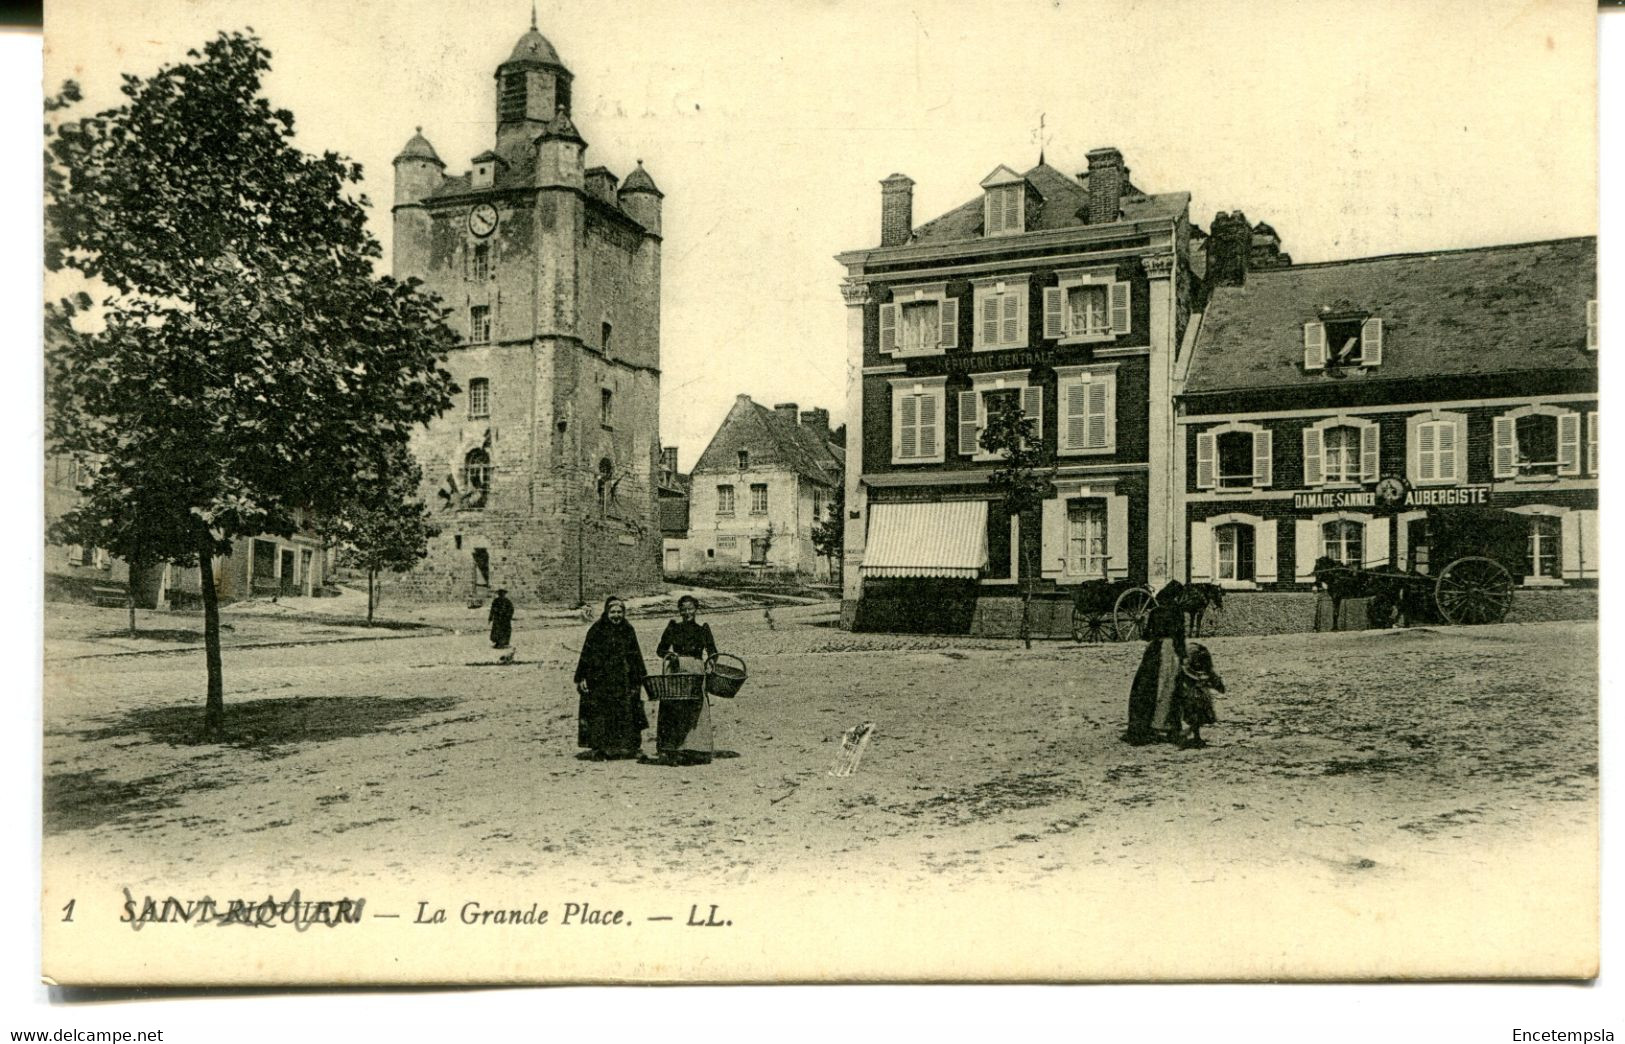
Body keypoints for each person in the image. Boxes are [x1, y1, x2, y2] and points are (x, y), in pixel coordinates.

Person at [574, 596, 648, 760]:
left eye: (619, 612)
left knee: (627, 710)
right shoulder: (596, 630)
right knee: (601, 713)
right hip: (600, 679)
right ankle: (600, 748)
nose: (616, 616)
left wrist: (640, 677)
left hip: (623, 679)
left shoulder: (628, 629)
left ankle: (625, 747)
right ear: (607, 613)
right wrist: (582, 677)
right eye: (613, 612)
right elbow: (586, 654)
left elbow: (636, 655)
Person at [653, 595, 719, 765]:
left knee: (696, 709)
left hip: (696, 671)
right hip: (676, 671)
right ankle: (672, 748)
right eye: (683, 609)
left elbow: (712, 651)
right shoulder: (673, 628)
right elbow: (660, 650)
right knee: (673, 707)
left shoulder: (703, 629)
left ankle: (696, 748)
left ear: (696, 610)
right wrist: (670, 655)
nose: (687, 612)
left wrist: (711, 661)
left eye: (690, 609)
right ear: (680, 611)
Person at [1124, 580, 1187, 745]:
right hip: (1169, 649)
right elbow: (1179, 635)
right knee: (1170, 686)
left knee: (1148, 686)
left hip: (1153, 650)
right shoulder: (1177, 611)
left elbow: (1146, 635)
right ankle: (1165, 725)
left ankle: (1146, 725)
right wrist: (1183, 655)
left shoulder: (1155, 611)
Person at [1173, 642, 1225, 749]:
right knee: (1194, 712)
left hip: (1194, 690)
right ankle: (1192, 734)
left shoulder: (1196, 658)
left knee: (1194, 712)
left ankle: (1192, 734)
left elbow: (1209, 674)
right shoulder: (1192, 660)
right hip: (1193, 689)